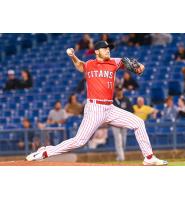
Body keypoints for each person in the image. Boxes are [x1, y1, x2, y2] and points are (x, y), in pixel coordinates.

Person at [26, 40, 167, 166]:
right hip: (94, 108)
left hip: (110, 108)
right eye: (105, 48)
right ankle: (45, 152)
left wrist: (138, 66)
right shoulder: (90, 64)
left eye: (109, 48)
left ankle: (149, 157)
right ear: (96, 51)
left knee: (138, 123)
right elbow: (80, 65)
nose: (108, 50)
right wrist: (72, 56)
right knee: (79, 141)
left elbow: (138, 67)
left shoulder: (115, 62)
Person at [112, 85, 133, 161]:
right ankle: (121, 157)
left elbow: (131, 111)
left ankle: (120, 155)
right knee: (118, 141)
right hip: (115, 124)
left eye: (120, 90)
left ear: (122, 91)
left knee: (123, 141)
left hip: (124, 123)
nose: (119, 91)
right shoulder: (113, 100)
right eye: (118, 90)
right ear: (116, 91)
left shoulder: (126, 100)